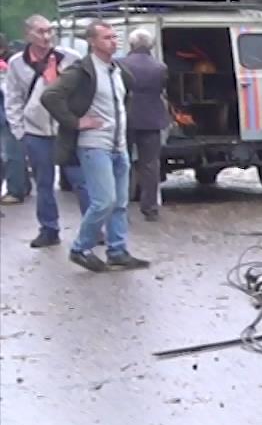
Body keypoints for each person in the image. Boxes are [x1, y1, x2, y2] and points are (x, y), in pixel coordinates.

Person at [42, 22, 148, 272]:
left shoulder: (118, 69)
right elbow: (50, 96)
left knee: (120, 202)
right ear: (92, 41)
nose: (113, 41)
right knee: (104, 201)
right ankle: (80, 248)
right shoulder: (81, 71)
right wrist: (75, 122)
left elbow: (125, 97)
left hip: (118, 144)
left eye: (114, 37)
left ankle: (117, 250)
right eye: (107, 37)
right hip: (94, 144)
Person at [4, 15, 87, 247]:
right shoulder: (17, 64)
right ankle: (49, 229)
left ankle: (92, 228)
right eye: (41, 32)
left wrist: (78, 122)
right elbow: (13, 98)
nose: (47, 36)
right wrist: (20, 131)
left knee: (81, 181)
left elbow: (83, 92)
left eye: (50, 31)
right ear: (27, 34)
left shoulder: (70, 58)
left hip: (66, 130)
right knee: (44, 182)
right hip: (36, 132)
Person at [120, 28, 169, 221]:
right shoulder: (160, 67)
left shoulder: (121, 64)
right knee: (150, 164)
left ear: (131, 45)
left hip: (127, 117)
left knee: (123, 162)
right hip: (152, 119)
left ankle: (121, 204)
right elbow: (163, 88)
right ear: (151, 45)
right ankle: (150, 208)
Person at [0, 40, 28, 205]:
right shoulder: (13, 63)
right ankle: (22, 186)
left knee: (11, 153)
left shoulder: (5, 66)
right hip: (12, 113)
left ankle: (16, 190)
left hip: (8, 114)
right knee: (15, 152)